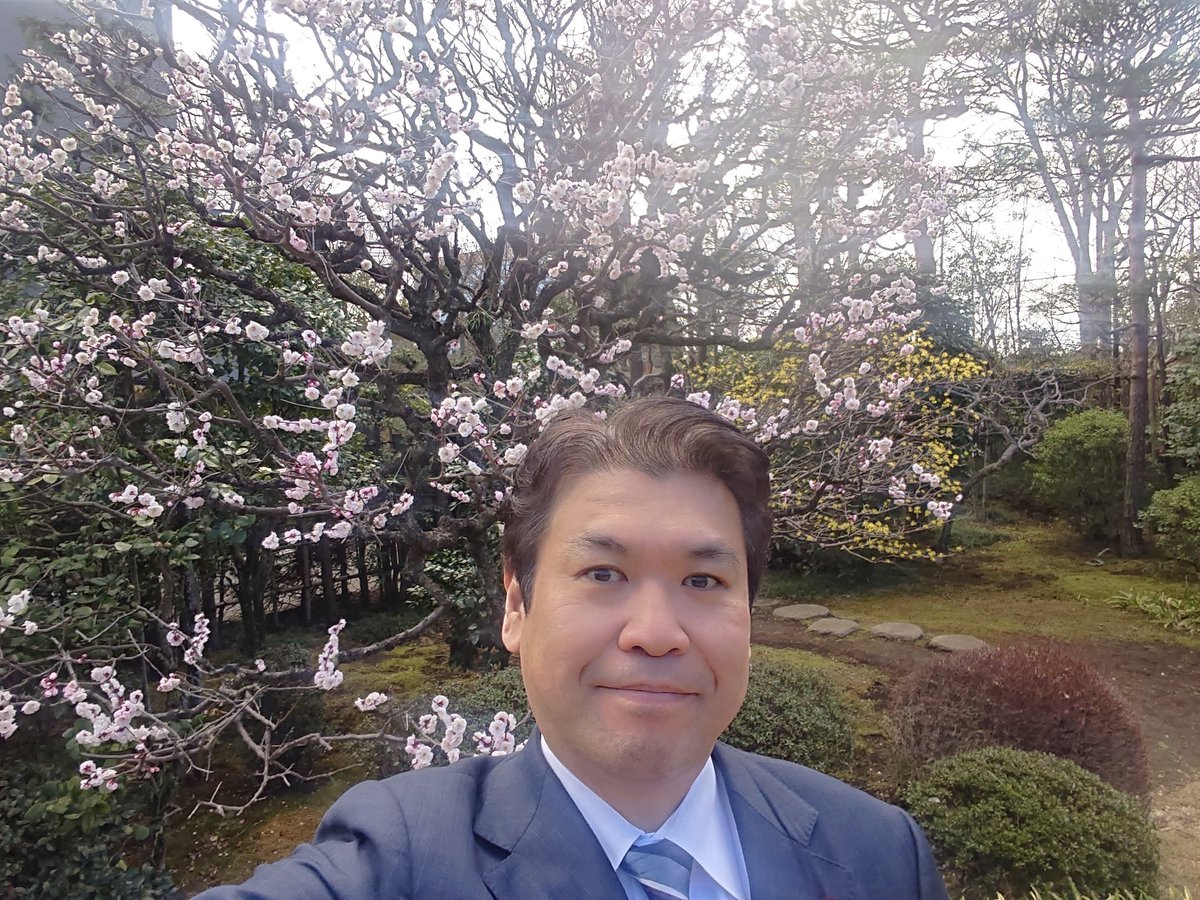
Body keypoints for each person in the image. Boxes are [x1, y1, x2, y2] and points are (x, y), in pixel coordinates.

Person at [197, 397, 950, 900]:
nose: (656, 632)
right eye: (602, 574)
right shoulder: (399, 857)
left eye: (703, 579)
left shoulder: (880, 853)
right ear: (516, 606)